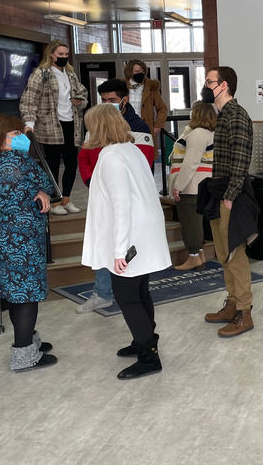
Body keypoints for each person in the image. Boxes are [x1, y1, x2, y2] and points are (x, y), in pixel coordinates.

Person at [81, 104, 171, 380]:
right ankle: (144, 339)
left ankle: (148, 354)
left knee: (127, 296)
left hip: (130, 235)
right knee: (141, 290)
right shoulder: (130, 150)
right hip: (143, 230)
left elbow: (121, 205)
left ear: (97, 128)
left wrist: (119, 250)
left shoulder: (110, 157)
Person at [0, 114, 57, 371]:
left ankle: (27, 341)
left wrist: (32, 190)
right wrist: (38, 190)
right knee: (26, 295)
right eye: (14, 133)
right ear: (0, 139)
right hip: (21, 237)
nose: (21, 136)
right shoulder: (20, 161)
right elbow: (48, 184)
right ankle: (24, 356)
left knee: (15, 293)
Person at [75, 79, 155, 313]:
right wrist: (92, 181)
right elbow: (84, 157)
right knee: (103, 244)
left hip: (129, 199)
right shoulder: (96, 125)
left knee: (123, 248)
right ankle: (102, 292)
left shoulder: (138, 127)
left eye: (112, 100)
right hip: (101, 194)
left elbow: (145, 162)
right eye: (104, 100)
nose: (107, 104)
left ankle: (130, 295)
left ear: (124, 99)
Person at [199, 66, 259, 337]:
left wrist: (230, 196)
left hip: (230, 195)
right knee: (223, 253)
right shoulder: (222, 115)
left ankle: (244, 312)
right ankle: (232, 303)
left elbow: (241, 159)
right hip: (219, 190)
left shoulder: (237, 115)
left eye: (209, 81)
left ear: (223, 85)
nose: (206, 86)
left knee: (234, 254)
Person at [20, 39, 88, 215]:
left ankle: (66, 199)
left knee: (72, 164)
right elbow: (29, 100)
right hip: (50, 126)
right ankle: (55, 201)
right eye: (60, 54)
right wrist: (29, 123)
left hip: (71, 124)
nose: (64, 57)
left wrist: (80, 101)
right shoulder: (41, 74)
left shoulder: (71, 74)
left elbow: (83, 93)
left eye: (66, 55)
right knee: (52, 165)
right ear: (51, 54)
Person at [169, 101, 216, 271]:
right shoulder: (209, 133)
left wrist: (178, 186)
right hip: (201, 184)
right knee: (196, 222)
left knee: (190, 222)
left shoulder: (197, 134)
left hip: (192, 185)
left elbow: (190, 164)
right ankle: (200, 254)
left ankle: (194, 256)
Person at [123, 59, 168, 152]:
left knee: (147, 155)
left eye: (143, 71)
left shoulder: (151, 88)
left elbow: (162, 108)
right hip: (125, 127)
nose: (141, 73)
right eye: (137, 71)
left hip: (145, 127)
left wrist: (158, 125)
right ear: (129, 72)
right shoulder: (122, 87)